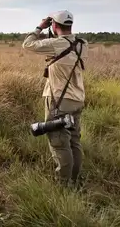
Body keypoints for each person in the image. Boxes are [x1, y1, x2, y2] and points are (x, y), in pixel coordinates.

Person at [22, 10, 88, 188]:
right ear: (71, 25)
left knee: (59, 143)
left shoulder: (56, 44)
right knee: (74, 140)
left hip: (59, 100)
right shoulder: (82, 44)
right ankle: (75, 180)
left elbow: (27, 44)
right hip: (77, 99)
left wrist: (40, 27)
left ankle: (64, 185)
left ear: (55, 25)